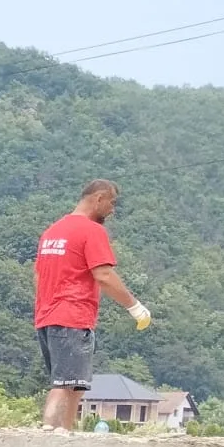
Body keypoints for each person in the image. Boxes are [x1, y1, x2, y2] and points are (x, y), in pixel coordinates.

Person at [35, 179, 150, 431]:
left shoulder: (52, 232)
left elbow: (39, 275)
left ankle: (65, 434)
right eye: (112, 203)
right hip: (72, 317)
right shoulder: (91, 231)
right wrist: (135, 307)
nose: (112, 210)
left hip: (47, 317)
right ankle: (49, 434)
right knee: (64, 384)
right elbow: (104, 275)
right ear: (99, 198)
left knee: (73, 384)